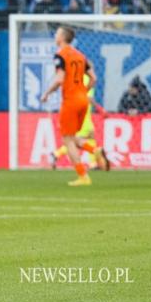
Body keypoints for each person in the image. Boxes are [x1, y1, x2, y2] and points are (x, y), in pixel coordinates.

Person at [40, 26, 97, 186]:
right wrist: (82, 92)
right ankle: (95, 151)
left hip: (70, 100)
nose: (55, 35)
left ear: (63, 37)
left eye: (57, 33)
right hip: (83, 100)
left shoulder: (60, 55)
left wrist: (46, 93)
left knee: (67, 140)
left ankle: (83, 176)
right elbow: (93, 78)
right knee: (71, 137)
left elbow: (59, 79)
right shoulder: (80, 55)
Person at [51, 73, 109, 172]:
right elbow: (87, 96)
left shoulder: (73, 77)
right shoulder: (85, 78)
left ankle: (92, 163)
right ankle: (57, 154)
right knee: (80, 139)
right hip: (83, 112)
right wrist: (100, 109)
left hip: (75, 110)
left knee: (84, 139)